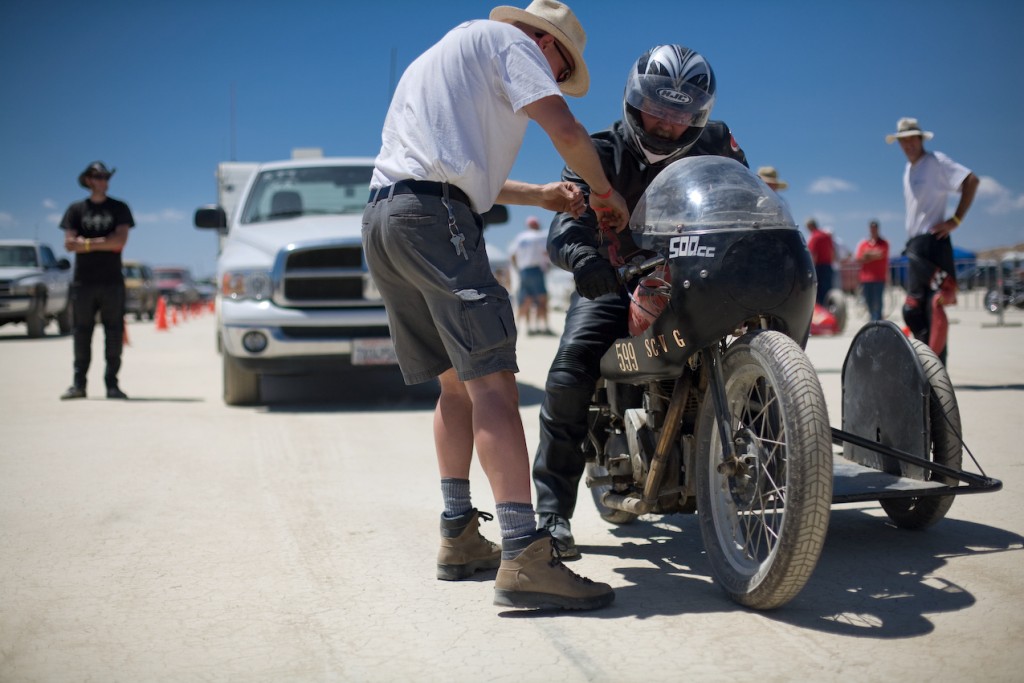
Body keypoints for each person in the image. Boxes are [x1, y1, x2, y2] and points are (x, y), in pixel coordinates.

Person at [362, 0, 629, 611]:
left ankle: (459, 533)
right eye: (562, 70)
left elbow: (453, 172)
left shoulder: (440, 58)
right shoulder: (513, 44)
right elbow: (567, 132)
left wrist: (542, 195)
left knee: (454, 387)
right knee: (494, 387)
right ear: (547, 44)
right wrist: (605, 194)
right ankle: (525, 555)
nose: (556, 80)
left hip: (386, 220)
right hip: (435, 220)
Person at [532, 44, 748, 559]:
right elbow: (566, 224)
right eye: (658, 107)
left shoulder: (716, 142)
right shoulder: (598, 151)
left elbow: (744, 200)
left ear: (701, 114)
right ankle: (551, 513)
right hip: (622, 281)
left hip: (700, 277)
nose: (669, 122)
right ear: (634, 99)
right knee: (571, 367)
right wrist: (585, 259)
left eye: (682, 112)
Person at [887, 116, 979, 364]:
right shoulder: (908, 170)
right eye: (903, 140)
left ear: (921, 139)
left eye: (912, 139)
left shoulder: (935, 162)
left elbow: (971, 180)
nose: (908, 144)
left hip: (933, 242)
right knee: (915, 310)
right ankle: (927, 367)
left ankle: (937, 370)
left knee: (932, 308)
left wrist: (956, 220)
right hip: (916, 246)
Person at [59, 161, 134, 400]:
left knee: (114, 332)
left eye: (106, 177)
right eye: (99, 177)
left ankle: (112, 384)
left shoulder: (119, 208)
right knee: (82, 332)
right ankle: (78, 384)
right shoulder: (76, 210)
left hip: (112, 281)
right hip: (83, 282)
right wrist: (104, 242)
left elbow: (119, 241)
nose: (103, 181)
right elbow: (70, 244)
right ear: (88, 180)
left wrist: (87, 243)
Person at [508, 215, 553, 335]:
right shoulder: (540, 236)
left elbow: (512, 255)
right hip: (536, 270)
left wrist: (518, 269)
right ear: (537, 224)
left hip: (524, 271)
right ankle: (544, 327)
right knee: (542, 299)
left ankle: (528, 328)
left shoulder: (520, 237)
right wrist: (548, 266)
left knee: (526, 299)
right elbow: (546, 252)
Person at [855, 219, 890, 322]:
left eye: (875, 228)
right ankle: (872, 320)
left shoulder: (884, 243)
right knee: (868, 301)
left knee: (878, 302)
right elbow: (859, 258)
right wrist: (873, 254)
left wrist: (867, 254)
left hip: (879, 277)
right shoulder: (863, 243)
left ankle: (878, 321)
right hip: (866, 278)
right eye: (871, 228)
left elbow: (881, 254)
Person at [805, 218, 834, 306]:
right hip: (828, 266)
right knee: (828, 291)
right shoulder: (827, 236)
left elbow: (813, 254)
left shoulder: (814, 236)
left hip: (819, 267)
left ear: (810, 226)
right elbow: (832, 252)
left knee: (819, 292)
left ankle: (821, 310)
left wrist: (810, 269)